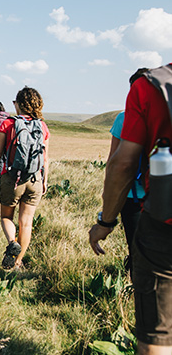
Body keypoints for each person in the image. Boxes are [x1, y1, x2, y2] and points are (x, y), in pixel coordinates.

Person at [89, 63, 172, 354]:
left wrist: (105, 221)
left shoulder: (149, 88)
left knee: (157, 337)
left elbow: (120, 163)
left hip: (160, 214)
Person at [0, 87, 50, 270]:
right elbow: (45, 158)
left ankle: (12, 242)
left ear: (19, 104)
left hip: (12, 178)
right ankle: (17, 262)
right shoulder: (42, 126)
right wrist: (44, 181)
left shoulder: (9, 124)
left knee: (6, 216)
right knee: (26, 222)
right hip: (35, 179)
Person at [107, 68, 149, 271]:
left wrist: (109, 196)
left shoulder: (123, 119)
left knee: (135, 247)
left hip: (133, 196)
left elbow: (114, 161)